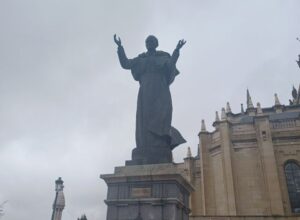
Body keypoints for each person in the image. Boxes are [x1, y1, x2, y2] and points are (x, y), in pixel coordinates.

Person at [114, 34, 186, 164]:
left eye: (152, 41)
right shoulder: (141, 59)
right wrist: (120, 47)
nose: (150, 43)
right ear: (146, 44)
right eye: (148, 41)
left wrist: (177, 50)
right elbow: (125, 63)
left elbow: (171, 64)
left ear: (156, 44)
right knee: (144, 118)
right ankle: (145, 144)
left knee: (162, 116)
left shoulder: (163, 56)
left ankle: (161, 143)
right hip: (146, 91)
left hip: (161, 90)